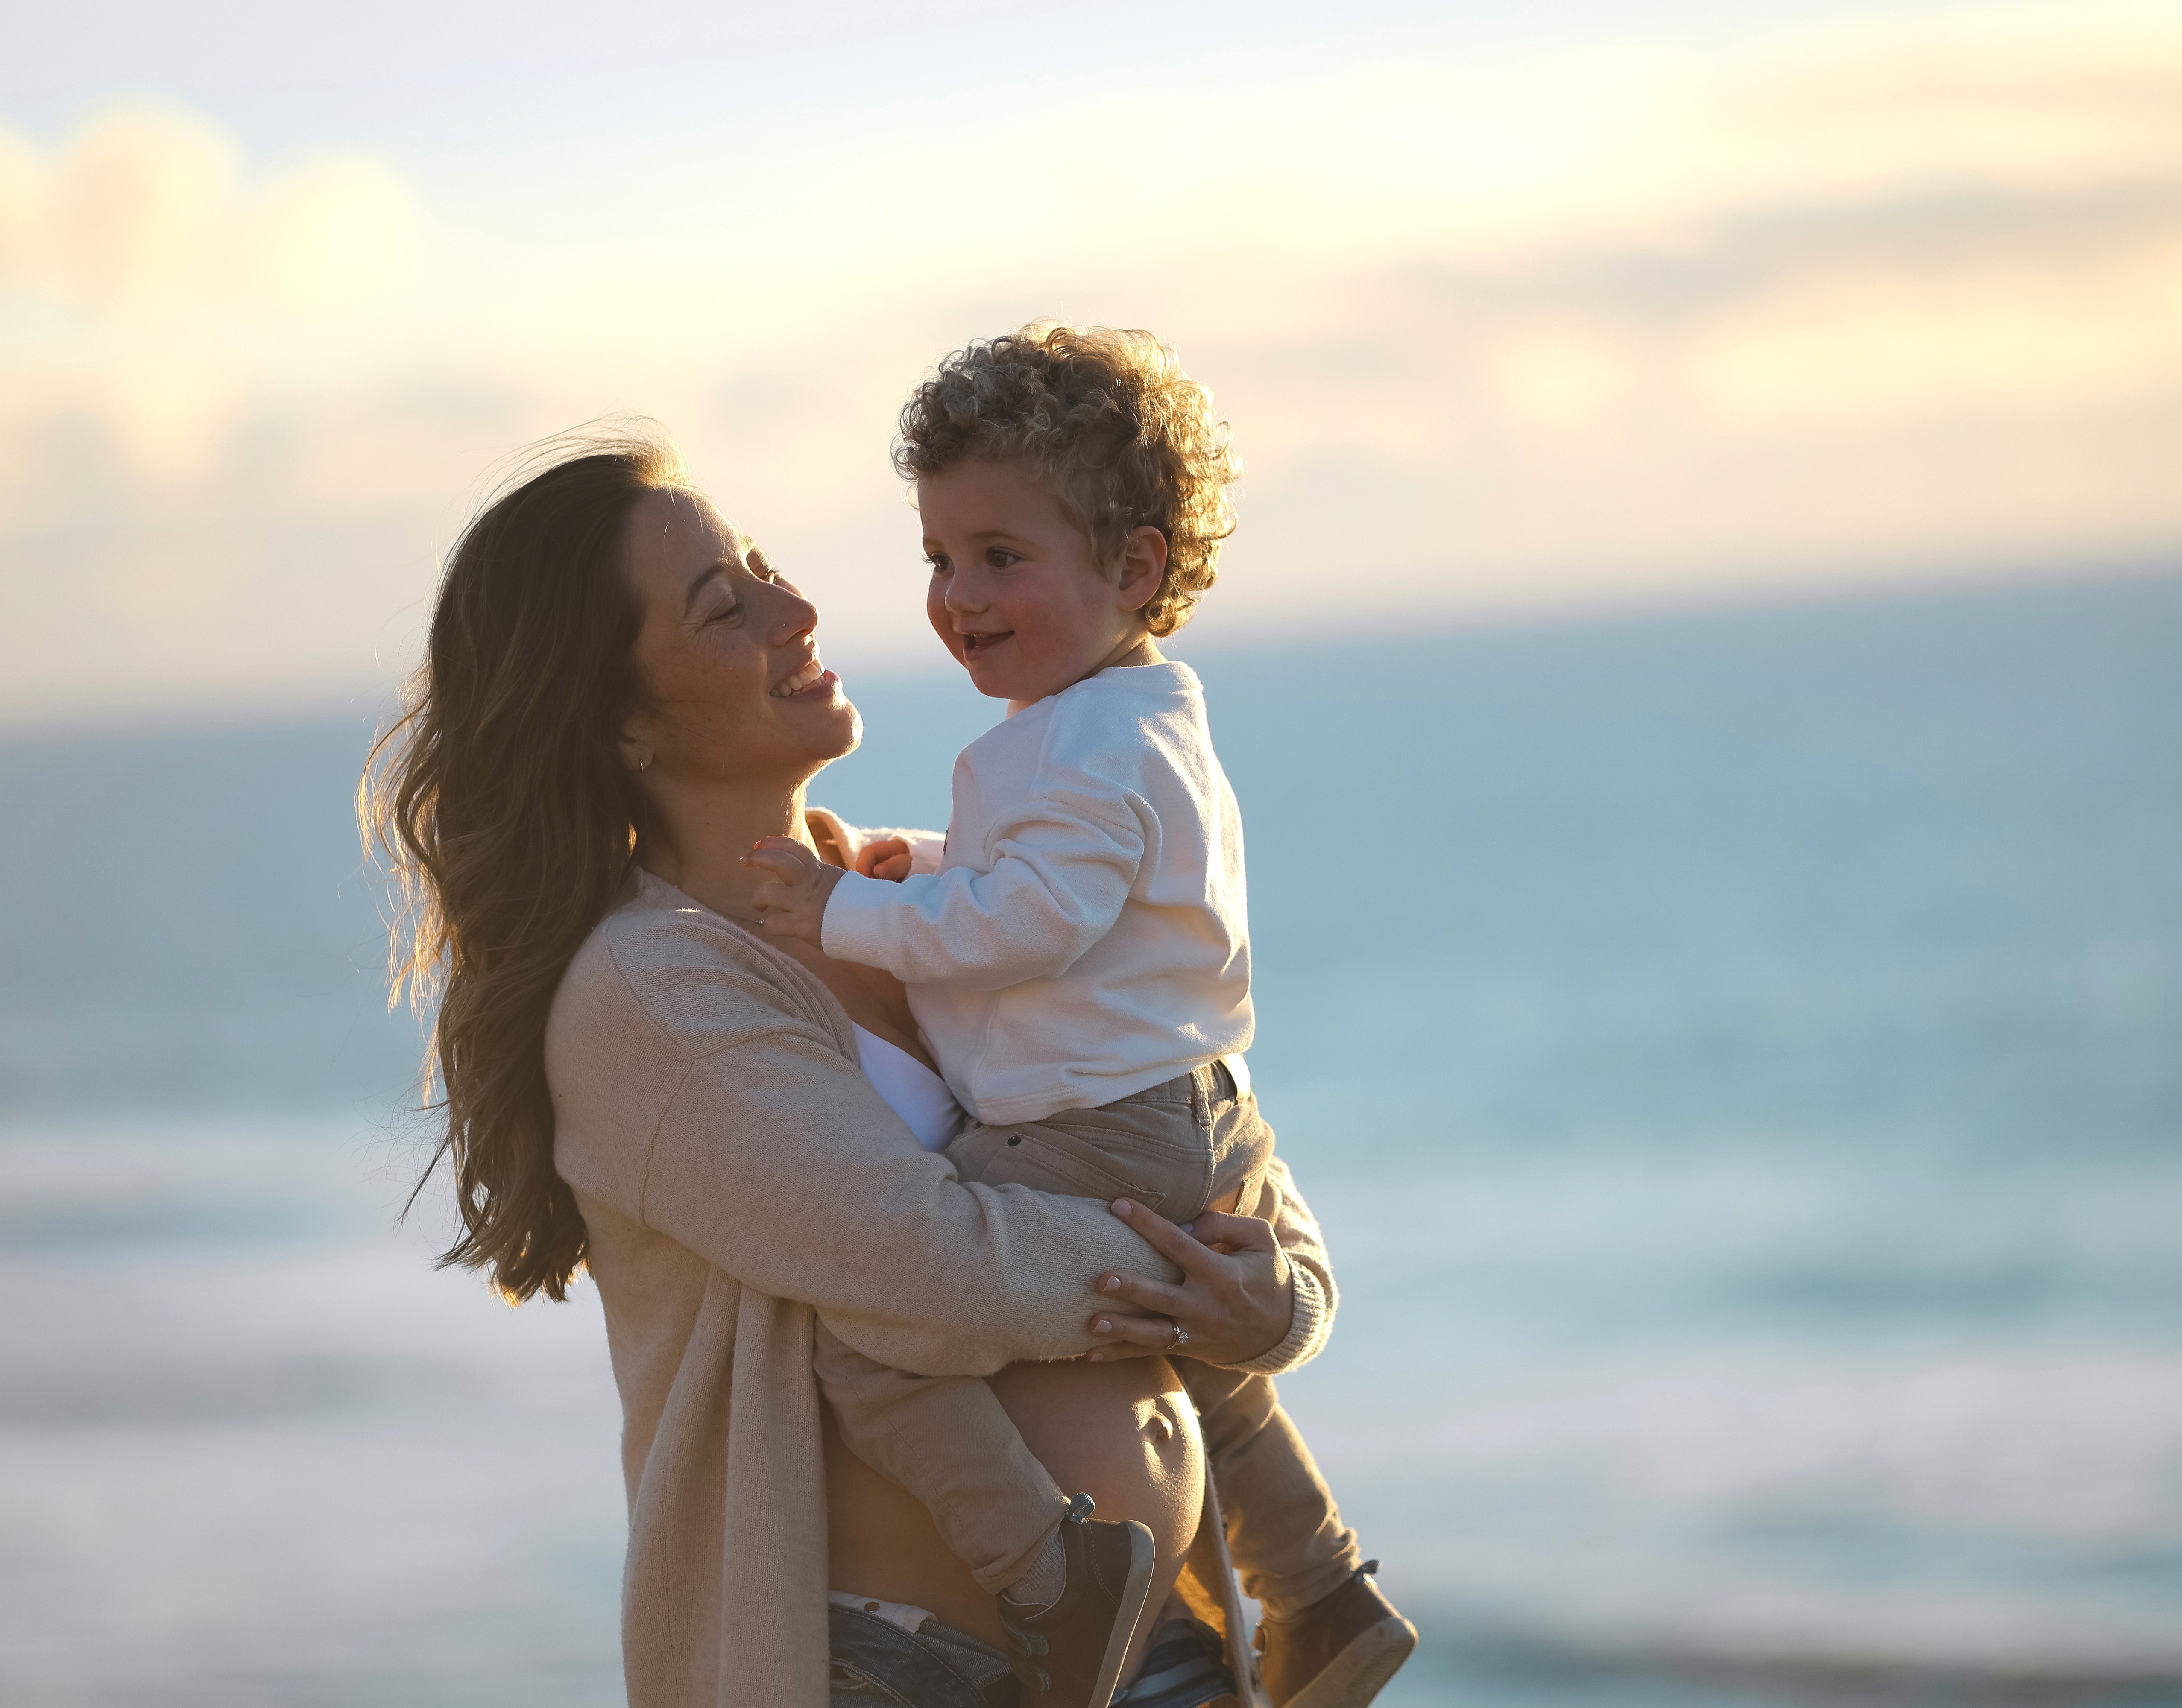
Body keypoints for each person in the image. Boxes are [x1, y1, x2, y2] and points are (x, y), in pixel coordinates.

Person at [361, 424, 1344, 1708]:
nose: (797, 605)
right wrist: (1195, 1282)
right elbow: (930, 1272)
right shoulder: (648, 994)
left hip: (1159, 1651)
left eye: (764, 563)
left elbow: (1198, 1110)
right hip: (907, 1669)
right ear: (620, 726)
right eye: (727, 605)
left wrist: (1285, 1301)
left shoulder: (922, 897)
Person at [747, 325, 1415, 1708]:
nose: (959, 595)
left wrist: (839, 917)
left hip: (1098, 1125)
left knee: (866, 1330)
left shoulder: (1088, 744)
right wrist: (918, 869)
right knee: (1192, 1346)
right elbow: (1051, 896)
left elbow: (1029, 923)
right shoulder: (1126, 722)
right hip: (1182, 1106)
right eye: (939, 558)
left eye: (1001, 556)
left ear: (1134, 568)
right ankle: (1321, 1585)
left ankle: (1054, 1571)